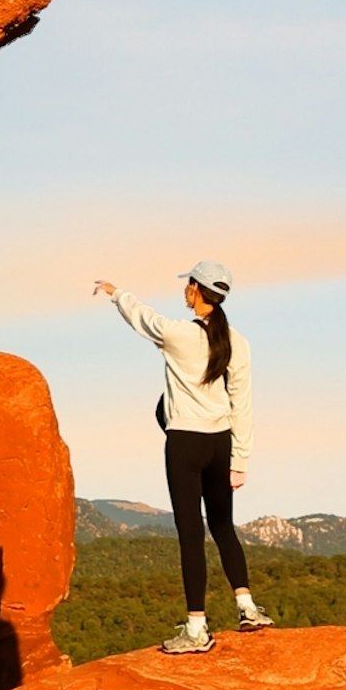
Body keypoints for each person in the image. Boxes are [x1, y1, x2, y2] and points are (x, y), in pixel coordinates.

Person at [92, 260, 268, 654]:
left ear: (194, 289)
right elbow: (242, 402)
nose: (185, 291)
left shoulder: (177, 335)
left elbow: (142, 317)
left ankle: (197, 629)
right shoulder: (238, 342)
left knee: (191, 535)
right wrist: (241, 459)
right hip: (221, 442)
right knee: (224, 527)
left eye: (188, 285)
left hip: (185, 443)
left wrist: (115, 292)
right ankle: (247, 607)